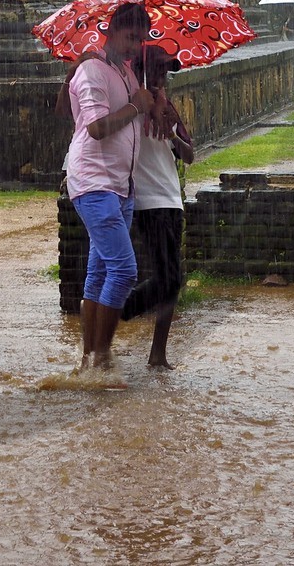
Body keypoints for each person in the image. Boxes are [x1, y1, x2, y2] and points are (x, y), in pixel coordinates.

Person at [64, 1, 153, 377]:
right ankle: (102, 357)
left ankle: (89, 360)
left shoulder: (127, 74)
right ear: (111, 31)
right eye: (130, 36)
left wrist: (152, 102)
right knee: (124, 269)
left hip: (120, 185)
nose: (135, 45)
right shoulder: (92, 71)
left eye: (140, 39)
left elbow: (134, 113)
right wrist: (135, 106)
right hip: (93, 180)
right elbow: (97, 127)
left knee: (99, 273)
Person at [120, 46, 193, 368]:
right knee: (170, 276)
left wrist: (174, 129)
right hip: (148, 199)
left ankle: (158, 353)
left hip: (171, 197)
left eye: (166, 71)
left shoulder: (169, 107)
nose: (164, 77)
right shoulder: (129, 104)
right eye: (158, 70)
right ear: (141, 70)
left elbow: (189, 155)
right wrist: (143, 107)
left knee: (170, 277)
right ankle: (117, 309)